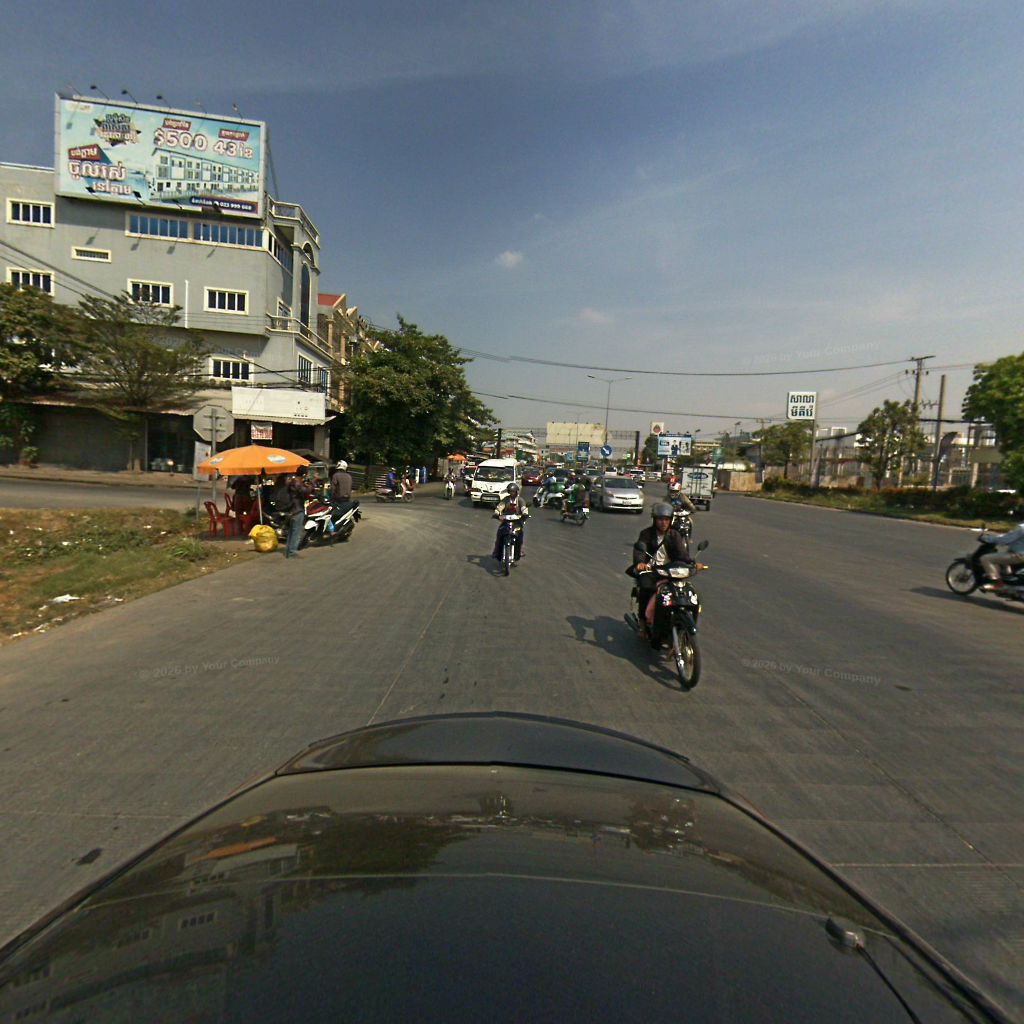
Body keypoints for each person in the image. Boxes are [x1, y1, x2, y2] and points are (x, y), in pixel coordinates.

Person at [632, 502, 691, 640]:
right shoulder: (646, 534)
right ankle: (642, 624)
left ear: (671, 520)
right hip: (650, 571)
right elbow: (639, 550)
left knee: (683, 590)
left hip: (670, 571)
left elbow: (682, 554)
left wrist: (692, 563)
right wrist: (640, 563)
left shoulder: (674, 535)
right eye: (660, 519)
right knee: (646, 588)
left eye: (666, 519)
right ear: (654, 520)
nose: (663, 523)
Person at [979, 508, 1024, 591]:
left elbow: (1005, 539)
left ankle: (999, 584)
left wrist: (989, 539)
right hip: (1018, 554)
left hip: (1018, 555)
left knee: (985, 558)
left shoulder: (1021, 528)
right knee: (1003, 557)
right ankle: (1008, 577)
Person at [492, 483, 530, 561]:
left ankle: (519, 551)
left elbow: (524, 508)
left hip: (517, 521)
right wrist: (497, 513)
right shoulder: (506, 499)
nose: (512, 493)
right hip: (506, 520)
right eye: (510, 491)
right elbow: (500, 507)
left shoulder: (520, 500)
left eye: (513, 491)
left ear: (516, 492)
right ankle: (496, 551)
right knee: (500, 532)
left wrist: (525, 514)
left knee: (519, 534)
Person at [285, 465, 314, 558]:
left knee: (291, 532)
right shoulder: (298, 483)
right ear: (304, 474)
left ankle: (288, 551)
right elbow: (306, 491)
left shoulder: (292, 482)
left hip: (291, 510)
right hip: (298, 510)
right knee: (296, 533)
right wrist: (313, 481)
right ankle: (292, 552)